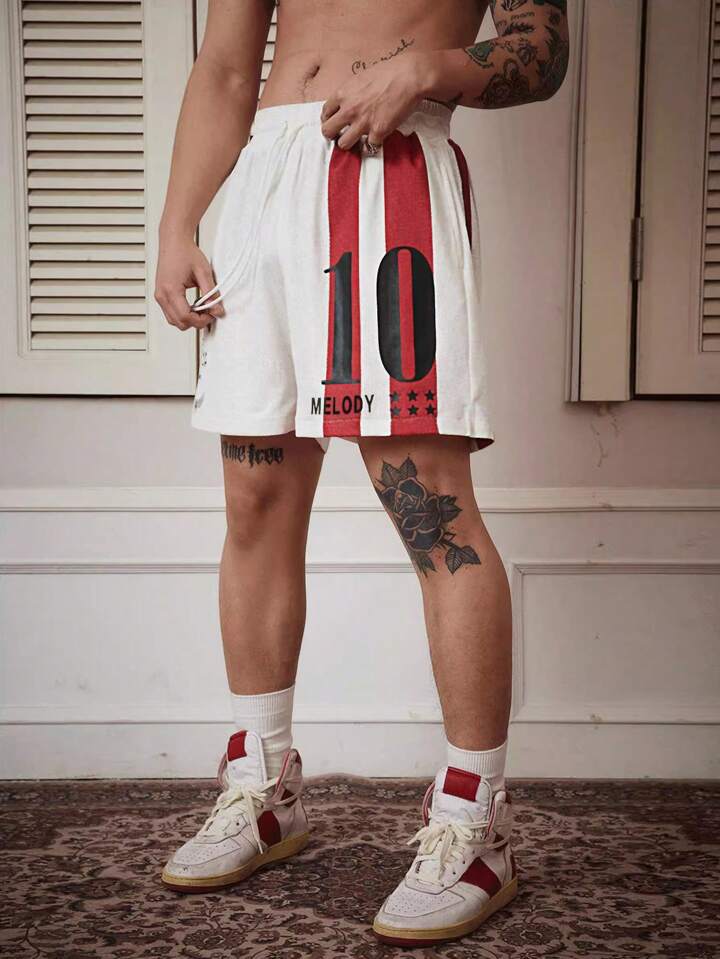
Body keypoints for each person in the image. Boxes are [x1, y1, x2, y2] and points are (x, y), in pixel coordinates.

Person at [155, 0, 568, 945]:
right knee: (255, 497)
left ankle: (474, 826)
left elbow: (540, 52)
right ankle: (263, 786)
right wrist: (179, 222)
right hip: (265, 181)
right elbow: (226, 67)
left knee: (432, 512)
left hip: (391, 173)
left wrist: (427, 71)